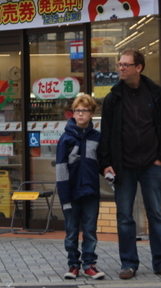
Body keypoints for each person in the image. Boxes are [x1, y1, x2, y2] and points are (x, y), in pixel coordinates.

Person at [97, 48, 161, 279]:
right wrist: (106, 163)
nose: (121, 68)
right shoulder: (113, 98)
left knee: (155, 215)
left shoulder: (155, 94)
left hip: (152, 165)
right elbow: (106, 134)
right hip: (123, 166)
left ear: (138, 68)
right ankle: (128, 264)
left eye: (126, 64)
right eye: (120, 64)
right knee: (125, 217)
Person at [56, 94, 106, 280]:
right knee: (71, 231)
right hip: (70, 193)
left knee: (90, 231)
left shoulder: (97, 138)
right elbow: (61, 169)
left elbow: (101, 163)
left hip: (91, 192)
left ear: (92, 114)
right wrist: (64, 196)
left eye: (85, 111)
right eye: (77, 110)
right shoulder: (66, 139)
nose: (80, 114)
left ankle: (89, 265)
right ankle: (73, 265)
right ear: (73, 113)